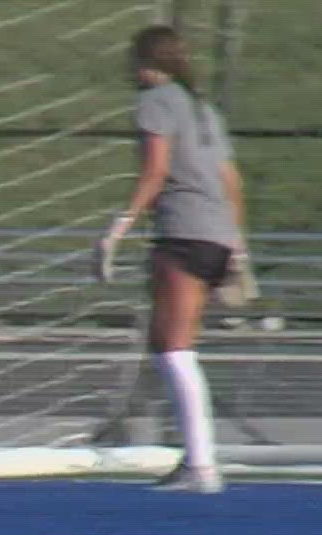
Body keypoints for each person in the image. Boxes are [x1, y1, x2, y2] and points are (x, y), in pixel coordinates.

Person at [92, 24, 253, 493]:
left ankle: (201, 464)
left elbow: (156, 170)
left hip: (184, 232)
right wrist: (237, 247)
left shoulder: (155, 100)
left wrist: (116, 229)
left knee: (172, 349)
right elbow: (232, 182)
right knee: (176, 346)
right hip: (218, 236)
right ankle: (197, 459)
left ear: (144, 62)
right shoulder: (204, 109)